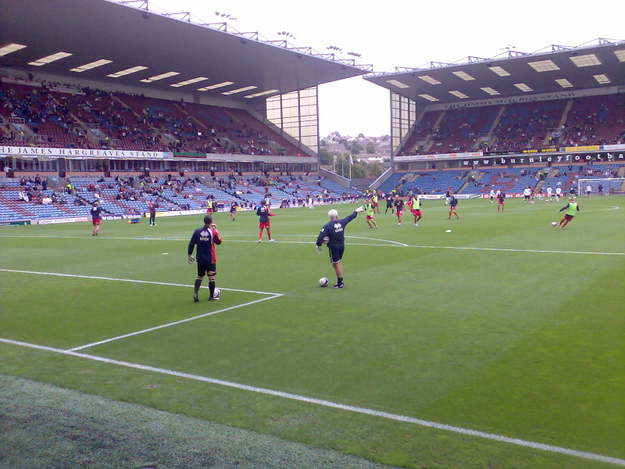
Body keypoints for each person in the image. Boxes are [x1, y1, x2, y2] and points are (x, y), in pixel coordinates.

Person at [315, 206, 364, 288]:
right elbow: (349, 217)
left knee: (336, 264)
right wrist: (356, 211)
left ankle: (340, 283)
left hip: (333, 247)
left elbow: (320, 237)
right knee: (337, 263)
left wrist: (318, 245)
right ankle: (340, 279)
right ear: (337, 216)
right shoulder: (342, 222)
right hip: (342, 246)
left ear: (329, 217)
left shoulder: (327, 226)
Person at [188, 215, 222, 302]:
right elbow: (219, 242)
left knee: (199, 276)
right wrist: (216, 230)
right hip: (210, 258)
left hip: (200, 258)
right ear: (211, 222)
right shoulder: (212, 232)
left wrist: (189, 254)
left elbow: (191, 244)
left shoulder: (197, 231)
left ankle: (195, 293)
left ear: (204, 221)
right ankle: (211, 296)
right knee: (211, 277)